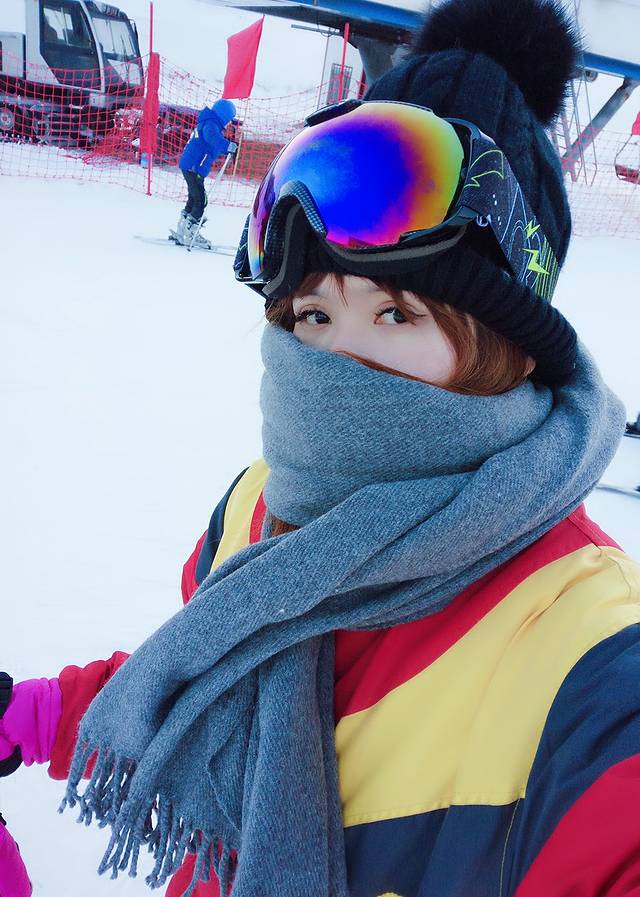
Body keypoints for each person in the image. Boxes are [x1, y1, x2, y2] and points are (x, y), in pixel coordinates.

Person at [2, 1, 639, 896]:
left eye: (396, 312)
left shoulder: (589, 662)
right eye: (312, 312)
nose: (336, 358)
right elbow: (208, 679)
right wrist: (30, 715)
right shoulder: (261, 501)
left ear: (508, 349)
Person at [175, 98, 238, 249]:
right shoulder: (211, 125)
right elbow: (212, 138)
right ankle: (191, 232)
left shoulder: (208, 122)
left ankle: (183, 228)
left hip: (191, 165)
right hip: (195, 167)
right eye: (229, 119)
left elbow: (212, 145)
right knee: (201, 200)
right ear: (224, 115)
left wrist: (227, 148)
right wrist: (227, 145)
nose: (229, 123)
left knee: (193, 198)